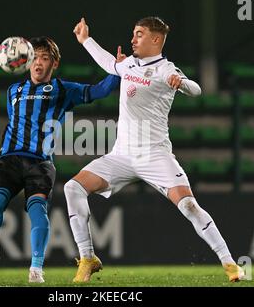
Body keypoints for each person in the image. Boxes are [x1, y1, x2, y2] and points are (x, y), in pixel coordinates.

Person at [65, 17, 244, 283]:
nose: (133, 39)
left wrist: (180, 82)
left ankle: (230, 264)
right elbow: (107, 62)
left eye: (139, 34)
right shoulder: (128, 65)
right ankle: (88, 258)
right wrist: (85, 40)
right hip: (121, 155)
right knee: (72, 188)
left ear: (156, 39)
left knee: (189, 206)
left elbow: (196, 89)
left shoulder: (164, 69)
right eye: (134, 34)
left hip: (155, 155)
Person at [0, 36, 120, 283]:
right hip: (9, 160)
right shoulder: (14, 91)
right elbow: (15, 122)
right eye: (36, 58)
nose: (39, 63)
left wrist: (118, 69)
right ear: (27, 60)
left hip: (40, 164)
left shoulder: (63, 89)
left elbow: (100, 91)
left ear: (54, 64)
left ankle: (36, 268)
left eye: (45, 58)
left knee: (38, 213)